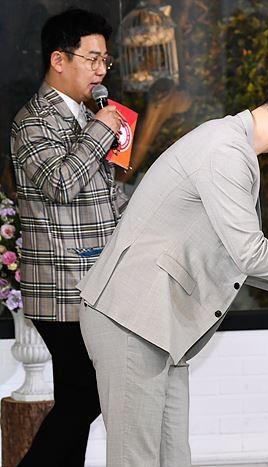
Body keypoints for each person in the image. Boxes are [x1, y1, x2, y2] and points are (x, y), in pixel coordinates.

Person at [77, 70, 268, 466]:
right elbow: (250, 253)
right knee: (136, 460)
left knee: (172, 458)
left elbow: (237, 253)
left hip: (157, 322)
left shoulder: (233, 146)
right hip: (132, 316)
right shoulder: (225, 151)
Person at [10, 9, 125, 467]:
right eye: (92, 59)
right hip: (61, 287)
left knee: (77, 399)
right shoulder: (32, 121)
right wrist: (101, 131)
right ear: (59, 59)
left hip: (92, 282)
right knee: (85, 396)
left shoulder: (87, 117)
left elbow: (107, 197)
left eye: (105, 61)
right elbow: (61, 183)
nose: (100, 71)